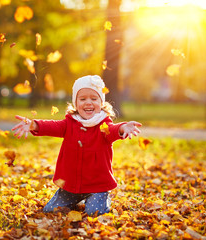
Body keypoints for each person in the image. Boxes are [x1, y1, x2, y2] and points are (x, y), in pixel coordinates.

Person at [12, 75, 142, 216]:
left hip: (97, 185)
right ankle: (76, 199)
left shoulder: (103, 125)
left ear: (101, 102)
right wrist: (34, 124)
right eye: (82, 99)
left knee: (94, 212)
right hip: (71, 186)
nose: (88, 103)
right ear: (75, 102)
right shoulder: (69, 123)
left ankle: (102, 198)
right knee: (51, 211)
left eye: (94, 99)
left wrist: (123, 128)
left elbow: (113, 130)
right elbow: (51, 126)